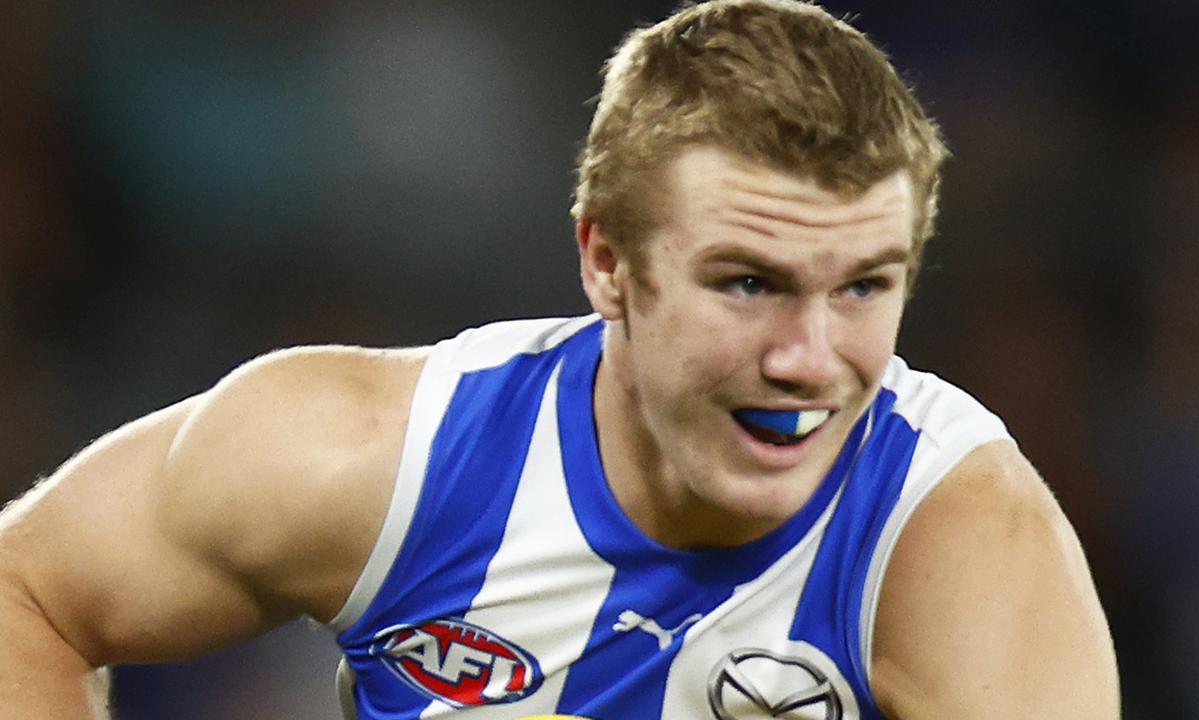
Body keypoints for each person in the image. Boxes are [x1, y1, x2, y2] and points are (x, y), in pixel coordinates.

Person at [0, 1, 1120, 718]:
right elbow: (25, 594)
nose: (809, 360)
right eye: (747, 283)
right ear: (606, 262)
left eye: (864, 287)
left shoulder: (960, 549)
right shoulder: (370, 458)